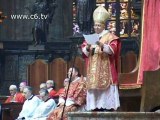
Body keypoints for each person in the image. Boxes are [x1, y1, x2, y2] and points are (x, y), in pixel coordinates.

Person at [81, 6, 121, 111]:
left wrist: (101, 44)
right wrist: (88, 47)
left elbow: (112, 51)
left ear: (103, 25)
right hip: (93, 72)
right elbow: (84, 53)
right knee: (94, 97)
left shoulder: (111, 37)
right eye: (95, 25)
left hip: (106, 69)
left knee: (106, 95)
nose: (96, 27)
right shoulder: (90, 38)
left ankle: (107, 110)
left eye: (98, 25)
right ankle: (94, 109)